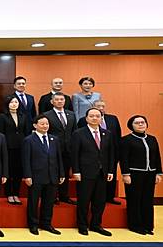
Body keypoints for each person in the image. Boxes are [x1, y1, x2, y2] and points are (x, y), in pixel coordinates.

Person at [71, 108, 114, 236]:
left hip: (102, 173)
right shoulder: (78, 133)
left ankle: (96, 225)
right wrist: (76, 171)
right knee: (84, 201)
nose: (95, 118)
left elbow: (111, 154)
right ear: (86, 118)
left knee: (100, 201)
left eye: (97, 116)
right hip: (85, 173)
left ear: (101, 118)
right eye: (92, 116)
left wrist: (111, 171)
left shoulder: (107, 133)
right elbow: (75, 154)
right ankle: (82, 225)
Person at [22, 115, 65, 235]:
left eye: (47, 124)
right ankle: (33, 224)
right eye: (42, 124)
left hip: (52, 175)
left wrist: (61, 173)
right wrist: (28, 176)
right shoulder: (29, 140)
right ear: (35, 125)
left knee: (49, 202)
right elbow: (26, 160)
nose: (45, 126)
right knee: (33, 202)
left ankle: (46, 224)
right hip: (36, 176)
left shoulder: (54, 139)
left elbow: (58, 158)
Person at [120, 115, 162, 235]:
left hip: (150, 173)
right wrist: (125, 174)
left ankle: (148, 225)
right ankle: (135, 225)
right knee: (134, 200)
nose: (140, 124)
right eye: (137, 123)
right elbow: (124, 159)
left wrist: (159, 172)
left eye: (143, 122)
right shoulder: (126, 140)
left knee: (148, 200)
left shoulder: (152, 139)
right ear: (131, 126)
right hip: (133, 174)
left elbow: (157, 157)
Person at [77, 99, 122, 205]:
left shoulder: (113, 119)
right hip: (89, 158)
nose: (100, 108)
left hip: (109, 154)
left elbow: (117, 136)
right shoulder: (83, 121)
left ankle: (110, 197)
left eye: (102, 106)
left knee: (110, 178)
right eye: (98, 106)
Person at [0, 95, 31, 205]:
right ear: (7, 104)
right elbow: (0, 133)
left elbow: (27, 132)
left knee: (18, 172)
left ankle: (16, 193)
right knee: (9, 171)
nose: (14, 104)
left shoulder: (23, 116)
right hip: (8, 147)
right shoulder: (2, 116)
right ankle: (9, 194)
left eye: (16, 102)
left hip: (21, 147)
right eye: (11, 102)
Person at [44, 92, 78, 205]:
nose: (60, 101)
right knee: (53, 172)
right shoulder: (47, 115)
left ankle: (64, 196)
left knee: (65, 173)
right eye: (57, 99)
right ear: (52, 102)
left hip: (68, 149)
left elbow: (74, 132)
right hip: (53, 149)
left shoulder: (71, 114)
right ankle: (52, 197)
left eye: (62, 99)